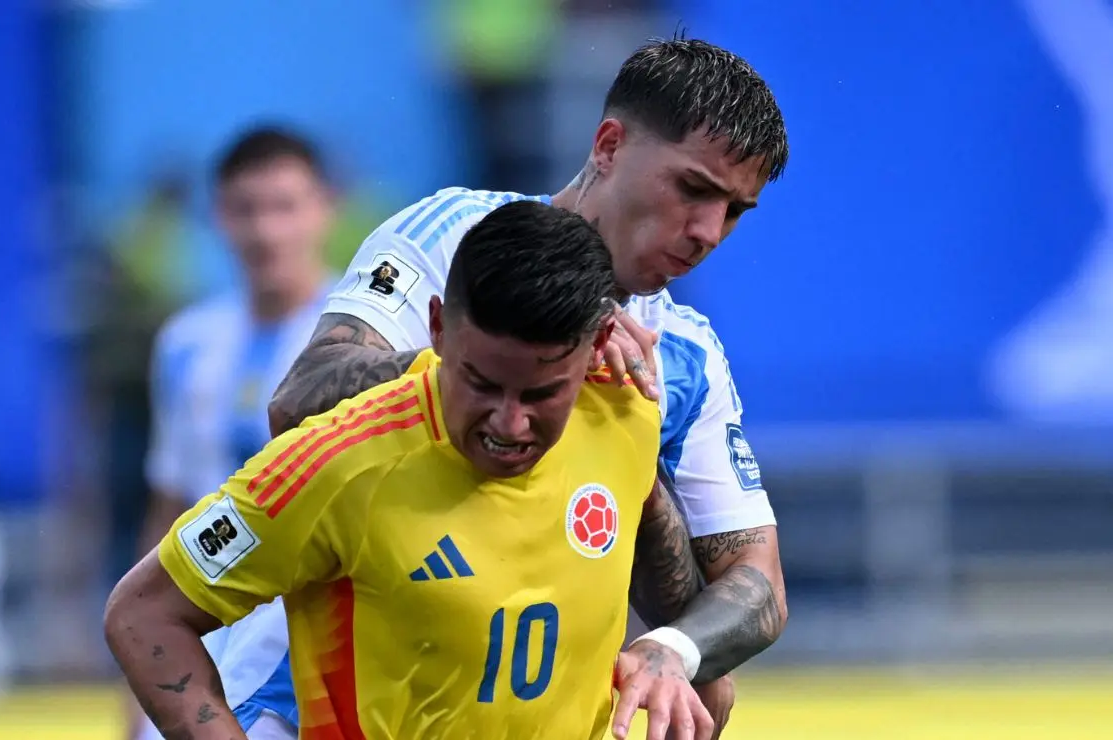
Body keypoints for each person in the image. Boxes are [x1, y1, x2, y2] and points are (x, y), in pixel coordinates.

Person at [263, 37, 791, 739]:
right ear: (607, 145)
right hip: (319, 701)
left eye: (734, 211)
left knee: (709, 688)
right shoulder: (453, 235)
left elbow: (756, 586)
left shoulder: (683, 355)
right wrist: (540, 346)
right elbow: (299, 400)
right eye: (693, 189)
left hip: (504, 715)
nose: (707, 232)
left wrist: (675, 649)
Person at [106, 200, 711, 739]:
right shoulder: (338, 461)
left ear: (599, 343)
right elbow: (144, 613)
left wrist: (678, 663)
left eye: (540, 395)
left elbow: (698, 654)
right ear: (439, 328)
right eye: (480, 383)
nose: (509, 422)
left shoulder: (627, 413)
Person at [129, 126, 337, 740]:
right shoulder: (184, 343)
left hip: (304, 644)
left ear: (325, 209)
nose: (266, 231)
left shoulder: (364, 341)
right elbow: (169, 505)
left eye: (285, 207)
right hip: (196, 639)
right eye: (246, 210)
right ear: (218, 217)